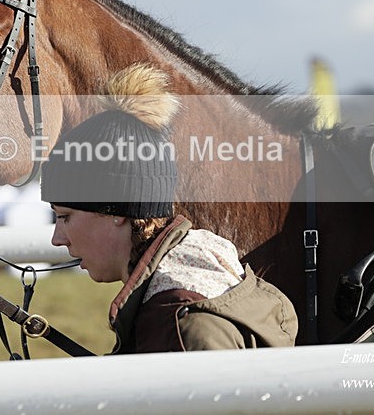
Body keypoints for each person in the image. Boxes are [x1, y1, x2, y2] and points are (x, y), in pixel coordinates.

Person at [41, 64, 297, 354]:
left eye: (64, 217)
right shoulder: (207, 263)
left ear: (116, 211)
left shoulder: (179, 324)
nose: (57, 239)